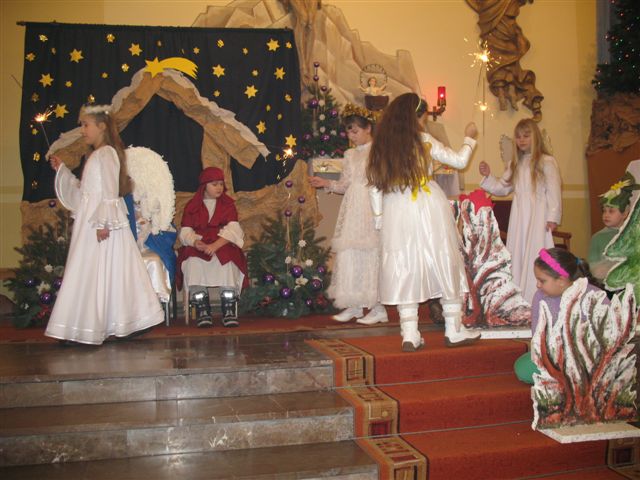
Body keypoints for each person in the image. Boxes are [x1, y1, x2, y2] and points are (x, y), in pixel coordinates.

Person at [367, 92, 481, 351]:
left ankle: (409, 333)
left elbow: (374, 186)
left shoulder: (382, 145)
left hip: (396, 207)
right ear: (416, 117)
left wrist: (379, 219)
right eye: (424, 118)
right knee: (443, 258)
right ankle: (454, 329)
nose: (424, 123)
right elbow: (460, 161)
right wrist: (469, 137)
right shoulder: (425, 140)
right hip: (428, 204)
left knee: (404, 264)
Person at [46, 105, 164, 345]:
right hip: (92, 220)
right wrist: (63, 171)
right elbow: (85, 193)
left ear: (101, 126)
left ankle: (98, 325)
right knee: (90, 272)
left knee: (99, 271)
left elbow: (110, 191)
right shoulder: (96, 155)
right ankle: (83, 326)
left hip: (102, 224)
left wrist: (104, 224)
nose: (82, 130)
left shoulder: (107, 153)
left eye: (85, 125)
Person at [309, 103, 388, 325]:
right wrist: (326, 183)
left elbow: (384, 181)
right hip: (352, 207)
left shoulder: (379, 150)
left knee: (370, 252)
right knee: (350, 252)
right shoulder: (349, 154)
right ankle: (354, 305)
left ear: (368, 128)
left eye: (355, 131)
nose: (351, 136)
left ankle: (377, 307)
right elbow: (345, 184)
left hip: (371, 206)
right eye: (349, 132)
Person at [478, 118, 562, 303]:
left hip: (538, 214)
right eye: (518, 137)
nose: (522, 140)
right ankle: (517, 296)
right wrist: (488, 175)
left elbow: (554, 190)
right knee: (518, 251)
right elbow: (502, 188)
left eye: (526, 136)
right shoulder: (514, 164)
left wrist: (553, 216)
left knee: (536, 250)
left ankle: (537, 295)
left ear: (535, 137)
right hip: (519, 215)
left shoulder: (546, 161)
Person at [514, 248, 606, 384]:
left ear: (561, 280)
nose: (538, 285)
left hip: (588, 359)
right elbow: (537, 335)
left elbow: (605, 338)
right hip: (553, 357)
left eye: (542, 281)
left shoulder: (595, 296)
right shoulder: (540, 296)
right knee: (522, 367)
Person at [176, 167, 248, 328]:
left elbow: (234, 229)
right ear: (204, 186)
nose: (219, 188)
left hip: (222, 243)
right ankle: (202, 308)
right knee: (193, 261)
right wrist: (195, 242)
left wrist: (216, 245)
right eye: (214, 184)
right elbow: (186, 231)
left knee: (227, 260)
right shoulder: (192, 205)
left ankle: (228, 307)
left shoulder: (228, 204)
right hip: (200, 245)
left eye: (221, 184)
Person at [587, 172, 638, 284]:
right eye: (604, 211)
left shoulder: (632, 235)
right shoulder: (597, 238)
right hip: (606, 285)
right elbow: (594, 271)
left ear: (625, 213)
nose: (606, 215)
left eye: (611, 211)